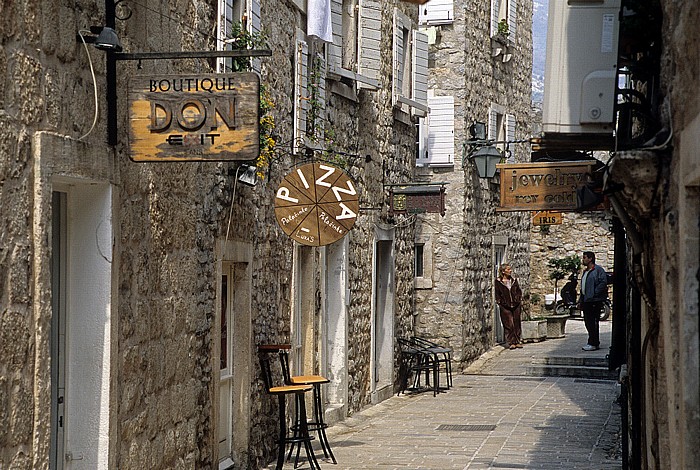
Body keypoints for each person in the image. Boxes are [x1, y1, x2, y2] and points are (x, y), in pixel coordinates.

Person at [578, 251, 608, 351]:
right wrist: (581, 300)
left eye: (585, 257)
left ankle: (593, 342)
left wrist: (594, 293)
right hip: (587, 300)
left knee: (593, 322)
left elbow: (603, 282)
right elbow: (583, 287)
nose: (583, 259)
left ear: (590, 259)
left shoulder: (598, 270)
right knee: (588, 322)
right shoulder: (586, 271)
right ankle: (592, 341)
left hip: (595, 300)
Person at [495, 263, 523, 350]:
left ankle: (517, 341)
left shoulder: (513, 280)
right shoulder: (498, 282)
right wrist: (501, 302)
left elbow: (518, 291)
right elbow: (497, 294)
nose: (510, 271)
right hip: (505, 306)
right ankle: (511, 342)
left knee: (516, 323)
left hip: (515, 304)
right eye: (508, 269)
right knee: (508, 324)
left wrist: (518, 299)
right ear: (503, 271)